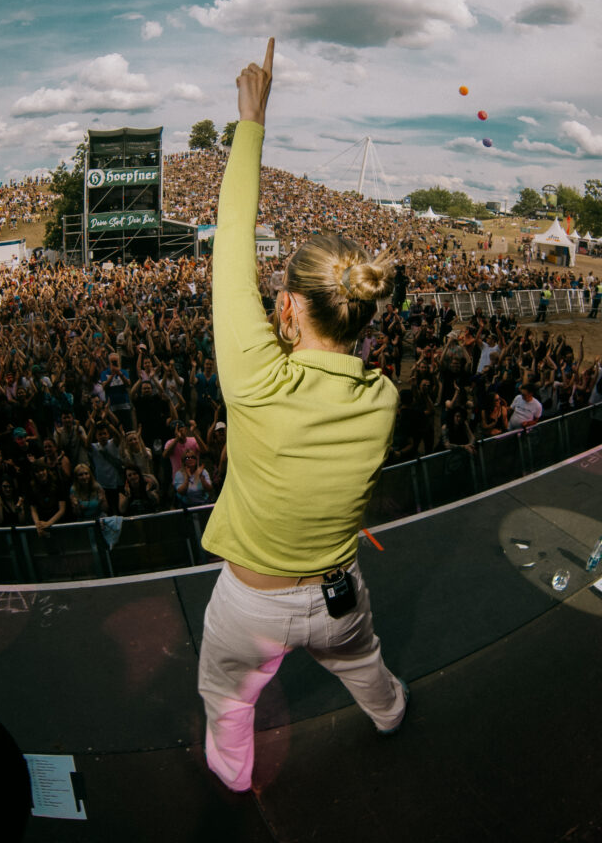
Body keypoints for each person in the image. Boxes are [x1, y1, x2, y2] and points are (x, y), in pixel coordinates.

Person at [198, 39, 407, 794]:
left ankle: (234, 767)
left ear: (285, 305)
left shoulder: (256, 378)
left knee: (228, 696)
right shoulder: (381, 398)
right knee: (363, 661)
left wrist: (250, 120)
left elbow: (230, 243)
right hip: (340, 592)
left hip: (252, 603)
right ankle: (389, 714)